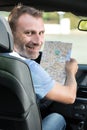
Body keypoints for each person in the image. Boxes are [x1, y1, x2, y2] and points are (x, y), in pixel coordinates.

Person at [8, 4, 78, 130]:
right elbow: (69, 96)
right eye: (29, 33)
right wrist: (71, 71)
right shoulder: (28, 68)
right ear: (11, 33)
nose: (38, 41)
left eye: (41, 33)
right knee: (58, 117)